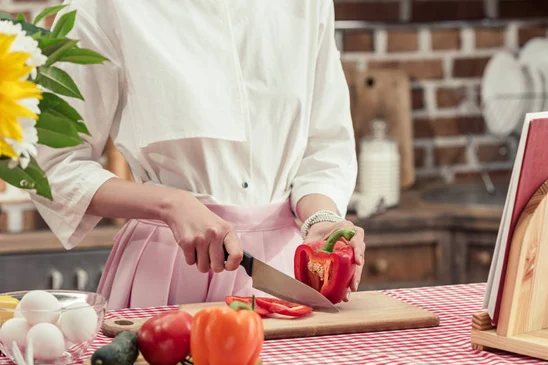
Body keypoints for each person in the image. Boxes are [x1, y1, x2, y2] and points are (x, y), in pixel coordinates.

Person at [31, 0, 365, 309]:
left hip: (285, 273)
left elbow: (324, 144)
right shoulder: (105, 5)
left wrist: (321, 219)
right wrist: (170, 204)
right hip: (171, 265)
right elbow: (52, 167)